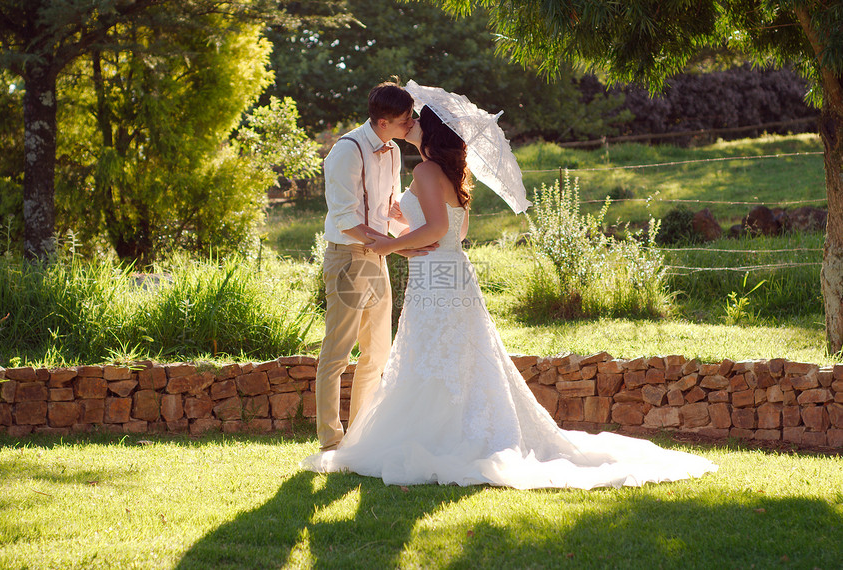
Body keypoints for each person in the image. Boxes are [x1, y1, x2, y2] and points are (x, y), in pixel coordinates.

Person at [303, 102, 718, 489]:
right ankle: (460, 428)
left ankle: (438, 435)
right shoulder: (452, 174)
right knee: (456, 354)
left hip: (434, 275)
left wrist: (389, 244)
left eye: (416, 122)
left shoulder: (425, 172)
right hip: (452, 271)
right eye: (405, 120)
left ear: (429, 134)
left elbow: (434, 232)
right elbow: (456, 232)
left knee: (430, 352)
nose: (410, 124)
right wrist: (404, 220)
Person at [315, 80, 429, 452]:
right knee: (338, 352)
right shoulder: (346, 151)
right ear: (382, 122)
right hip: (349, 257)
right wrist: (394, 246)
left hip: (376, 256)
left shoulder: (394, 151)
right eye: (404, 120)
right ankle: (331, 441)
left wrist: (409, 238)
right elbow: (345, 217)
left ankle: (360, 438)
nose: (410, 124)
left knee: (377, 352)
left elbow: (389, 211)